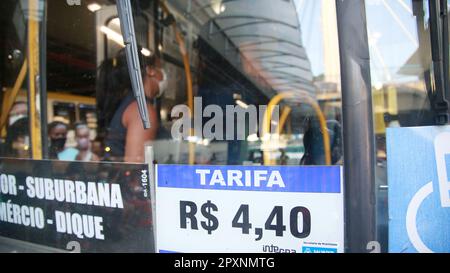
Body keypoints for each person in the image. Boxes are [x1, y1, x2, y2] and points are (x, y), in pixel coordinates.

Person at [97, 48, 167, 162]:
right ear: (150, 71)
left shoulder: (130, 103)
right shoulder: (142, 112)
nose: (164, 73)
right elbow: (136, 170)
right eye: (160, 68)